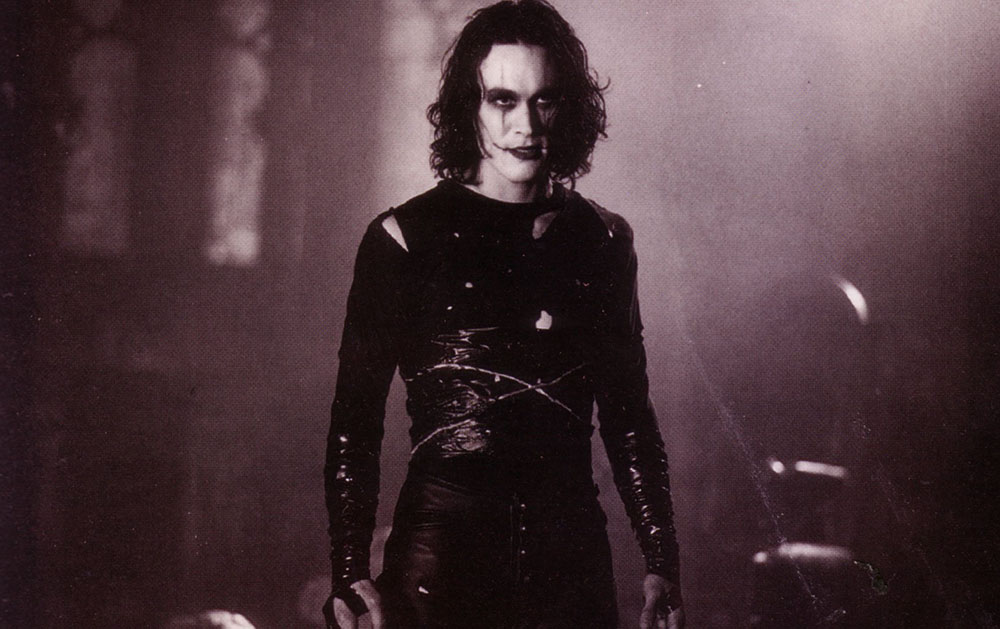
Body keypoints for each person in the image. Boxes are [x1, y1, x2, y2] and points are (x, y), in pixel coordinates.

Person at [324, 1, 683, 627]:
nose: (527, 124)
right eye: (502, 100)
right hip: (440, 565)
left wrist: (662, 563)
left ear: (568, 107)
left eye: (545, 100)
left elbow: (629, 414)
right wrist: (350, 570)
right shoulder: (402, 239)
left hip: (571, 563)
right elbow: (356, 420)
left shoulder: (604, 241)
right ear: (470, 107)